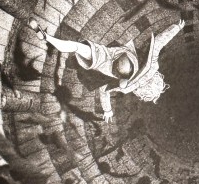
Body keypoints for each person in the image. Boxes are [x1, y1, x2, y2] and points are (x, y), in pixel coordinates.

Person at [30, 17, 185, 121]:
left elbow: (158, 42)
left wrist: (176, 27)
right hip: (103, 62)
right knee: (76, 48)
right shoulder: (129, 87)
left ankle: (47, 37)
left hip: (107, 55)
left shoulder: (152, 66)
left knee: (77, 47)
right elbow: (105, 90)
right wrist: (107, 110)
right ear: (144, 93)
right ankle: (47, 38)